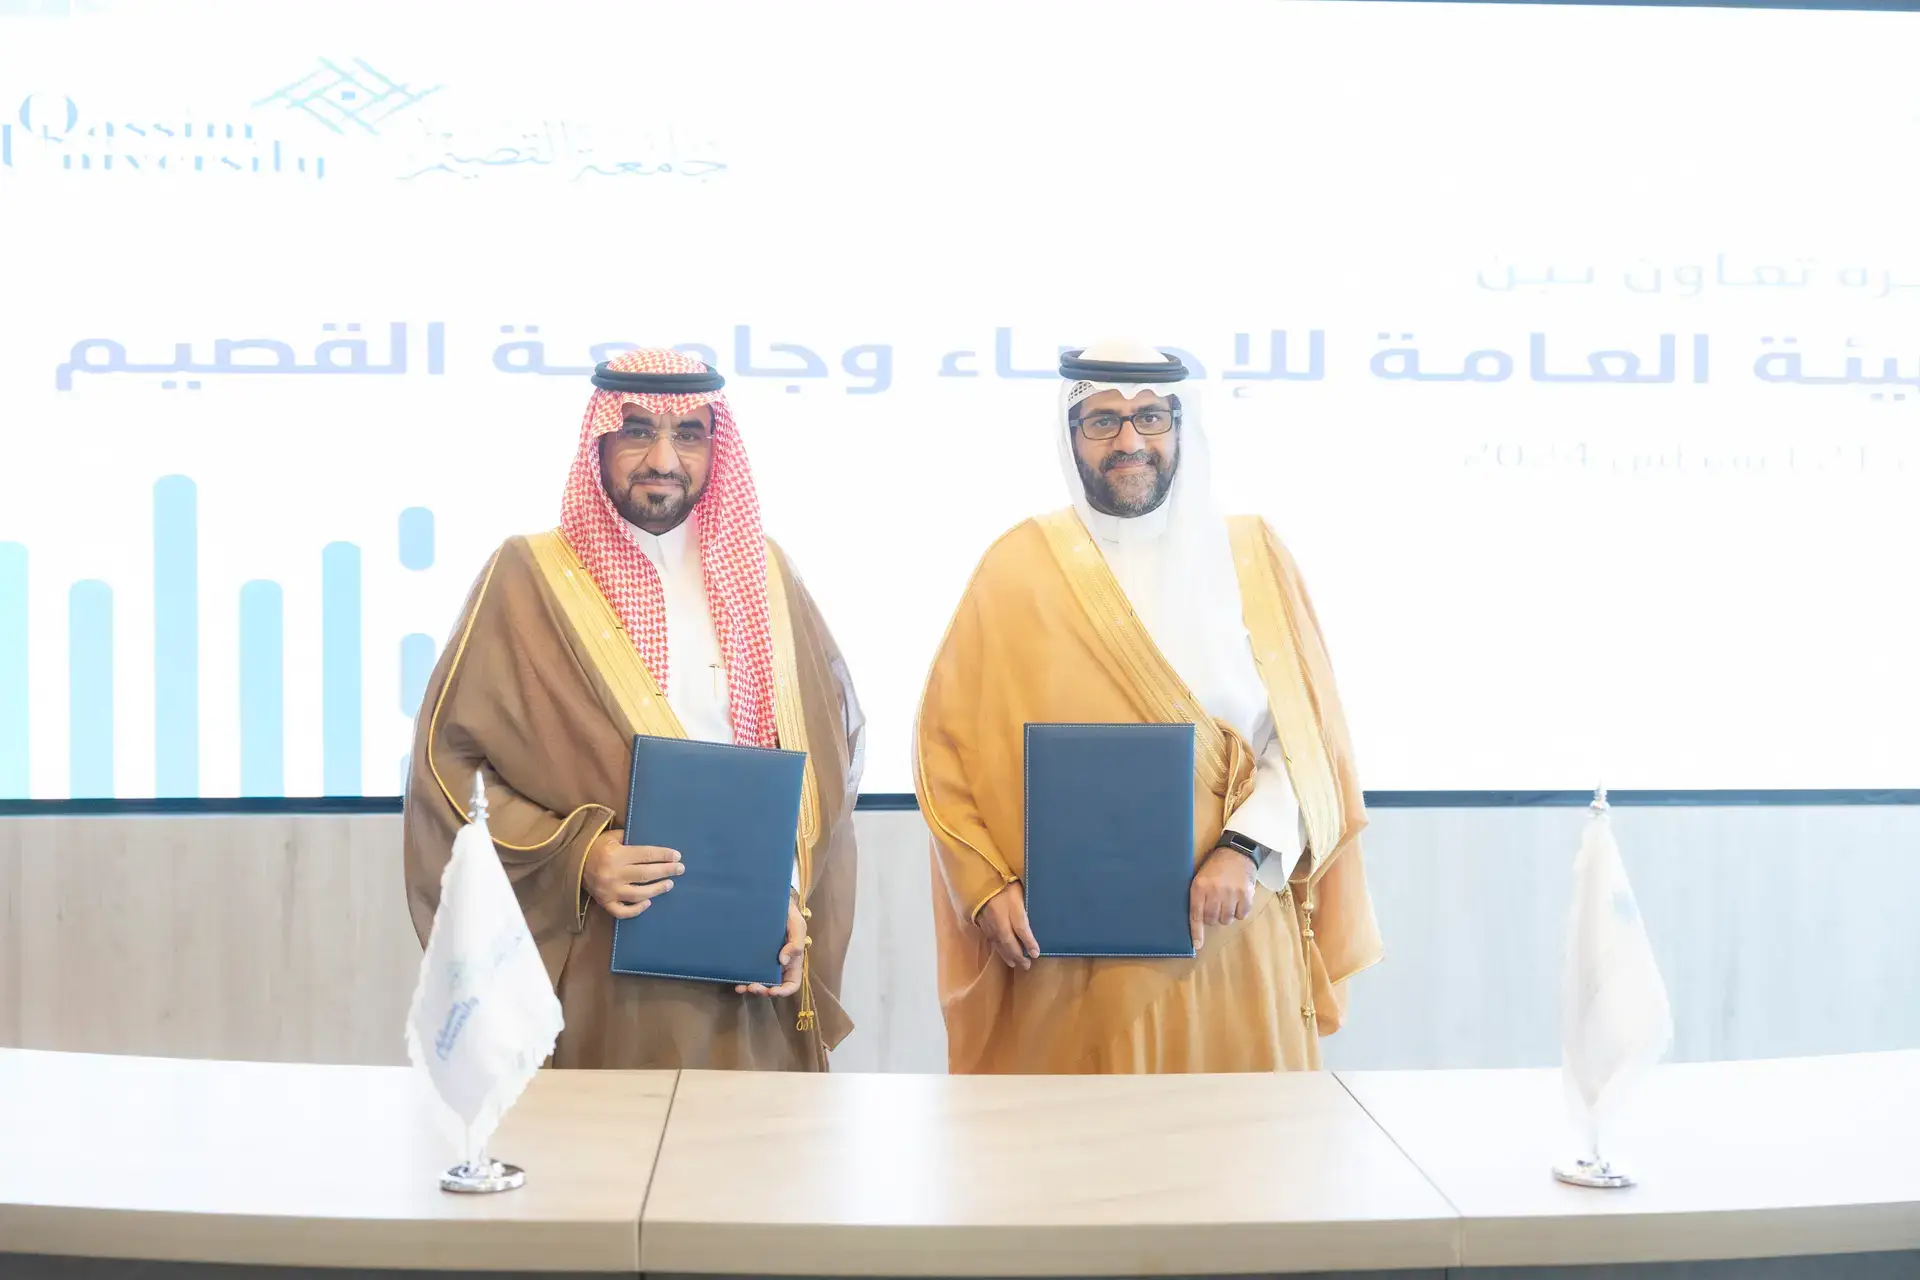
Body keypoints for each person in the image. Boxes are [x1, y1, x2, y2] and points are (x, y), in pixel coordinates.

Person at [914, 338, 1380, 1074]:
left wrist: (1246, 849)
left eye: (1150, 418)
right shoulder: (1017, 566)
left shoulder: (1252, 557)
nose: (1130, 441)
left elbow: (1307, 740)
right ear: (1072, 438)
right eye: (1102, 421)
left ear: (1179, 427)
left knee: (1233, 1164)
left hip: (1228, 926)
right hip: (1060, 955)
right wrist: (982, 886)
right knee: (1073, 1170)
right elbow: (945, 748)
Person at [404, 348, 863, 1070]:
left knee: (752, 1169)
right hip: (599, 962)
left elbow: (820, 768)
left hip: (750, 958)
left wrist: (792, 898)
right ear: (600, 442)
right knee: (604, 1170)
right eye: (637, 431)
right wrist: (579, 855)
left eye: (688, 434)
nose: (662, 458)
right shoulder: (528, 579)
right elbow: (448, 770)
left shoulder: (764, 577)